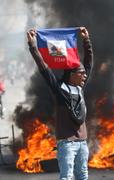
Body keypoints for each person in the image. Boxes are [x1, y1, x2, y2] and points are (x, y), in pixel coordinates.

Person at [27, 27, 93, 180]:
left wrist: (86, 41)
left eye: (84, 73)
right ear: (71, 75)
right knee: (66, 177)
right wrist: (33, 45)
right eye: (81, 73)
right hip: (67, 144)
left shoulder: (80, 88)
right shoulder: (60, 89)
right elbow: (43, 67)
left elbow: (89, 64)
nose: (84, 75)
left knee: (83, 176)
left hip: (82, 143)